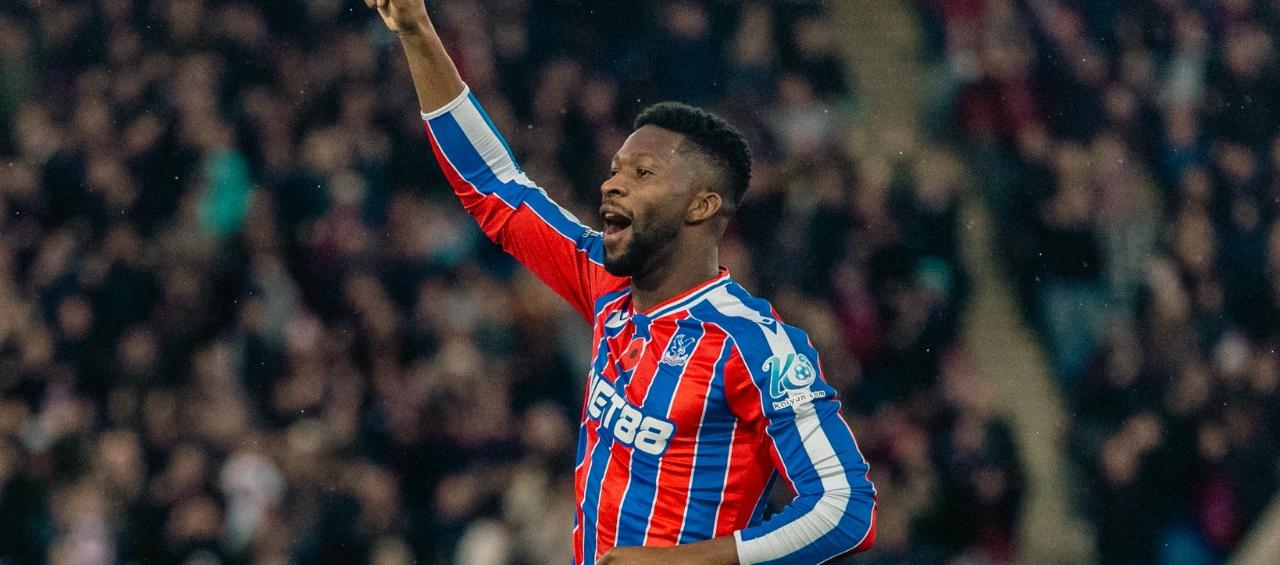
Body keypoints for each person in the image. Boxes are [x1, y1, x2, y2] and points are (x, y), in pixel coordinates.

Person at [365, 0, 877, 563]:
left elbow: (846, 508)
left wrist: (673, 563)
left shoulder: (753, 345)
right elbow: (494, 185)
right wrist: (416, 30)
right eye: (614, 170)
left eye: (642, 173)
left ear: (701, 205)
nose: (612, 185)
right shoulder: (606, 284)